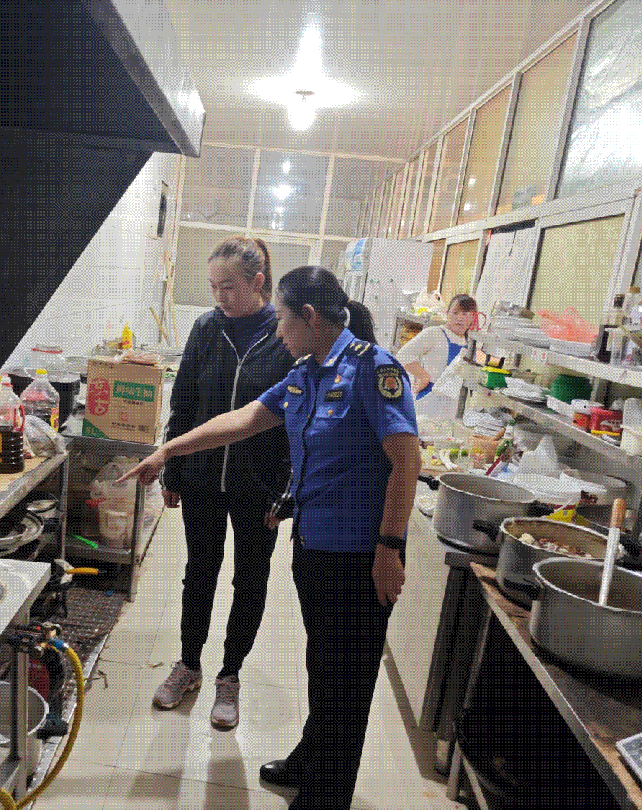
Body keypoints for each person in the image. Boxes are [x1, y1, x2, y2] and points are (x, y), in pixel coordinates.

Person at [121, 266, 421, 810]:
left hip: (361, 556)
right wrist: (168, 451)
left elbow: (406, 462)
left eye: (282, 318)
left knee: (348, 681)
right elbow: (242, 420)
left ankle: (326, 796)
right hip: (313, 545)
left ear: (309, 316)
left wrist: (390, 547)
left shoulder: (373, 370)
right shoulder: (307, 373)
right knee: (322, 666)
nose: (278, 331)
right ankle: (310, 760)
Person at [151, 236, 294, 731]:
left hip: (261, 486)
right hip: (203, 479)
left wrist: (285, 491)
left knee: (250, 580)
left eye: (228, 286)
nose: (219, 296)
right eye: (213, 287)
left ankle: (230, 676)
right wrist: (172, 467)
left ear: (258, 282)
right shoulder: (206, 328)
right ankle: (189, 665)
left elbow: (297, 419)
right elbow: (184, 401)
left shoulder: (283, 334)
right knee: (199, 573)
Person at [395, 292, 478, 420]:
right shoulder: (435, 333)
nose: (460, 318)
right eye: (455, 313)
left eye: (465, 314)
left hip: (452, 407)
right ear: (447, 313)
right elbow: (403, 355)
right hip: (428, 402)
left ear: (472, 318)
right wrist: (423, 376)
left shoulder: (470, 345)